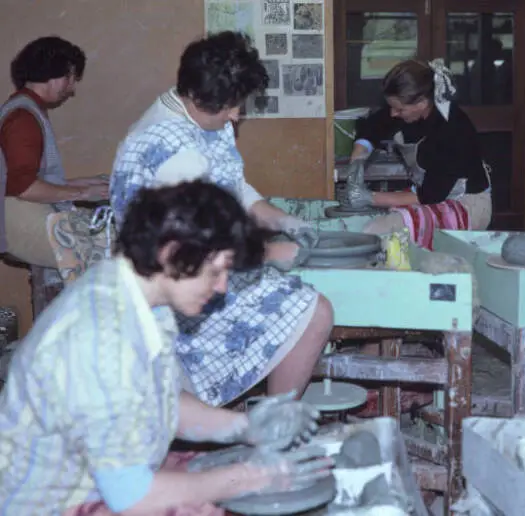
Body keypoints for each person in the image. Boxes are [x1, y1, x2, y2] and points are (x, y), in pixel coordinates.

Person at [0, 180, 331, 515]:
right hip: (52, 502)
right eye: (215, 271)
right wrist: (249, 477)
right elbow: (133, 497)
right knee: (222, 491)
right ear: (171, 254)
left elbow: (164, 399)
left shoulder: (139, 293)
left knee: (220, 481)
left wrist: (245, 427)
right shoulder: (100, 338)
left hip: (100, 476)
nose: (221, 287)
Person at [110, 31, 333, 407]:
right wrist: (272, 253)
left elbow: (234, 187)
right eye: (232, 106)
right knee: (316, 312)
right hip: (168, 283)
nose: (236, 115)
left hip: (202, 256)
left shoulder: (198, 113)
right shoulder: (168, 149)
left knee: (300, 288)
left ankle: (265, 420)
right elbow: (194, 245)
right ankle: (276, 430)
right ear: (198, 96)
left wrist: (285, 221)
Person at [343, 59, 492, 249]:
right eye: (391, 107)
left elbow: (430, 196)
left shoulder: (453, 130)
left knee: (381, 229)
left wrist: (369, 197)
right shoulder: (409, 111)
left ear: (422, 103)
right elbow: (376, 126)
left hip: (467, 205)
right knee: (374, 220)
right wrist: (359, 155)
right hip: (432, 195)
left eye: (399, 109)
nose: (393, 114)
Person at [0, 36, 109, 268]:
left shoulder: (25, 109)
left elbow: (25, 179)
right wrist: (83, 192)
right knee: (110, 252)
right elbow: (24, 188)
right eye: (70, 78)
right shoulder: (23, 118)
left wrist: (90, 183)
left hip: (18, 208)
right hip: (13, 219)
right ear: (53, 73)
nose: (71, 88)